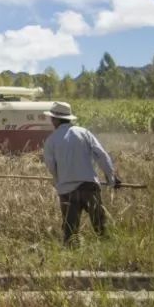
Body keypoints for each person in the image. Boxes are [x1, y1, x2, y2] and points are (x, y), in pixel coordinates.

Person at [42, 101, 121, 246]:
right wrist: (111, 178)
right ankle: (107, 249)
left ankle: (70, 255)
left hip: (67, 191)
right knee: (100, 226)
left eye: (52, 118)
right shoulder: (84, 133)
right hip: (89, 186)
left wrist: (58, 180)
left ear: (57, 119)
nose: (51, 121)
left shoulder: (51, 140)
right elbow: (101, 155)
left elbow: (51, 166)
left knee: (70, 231)